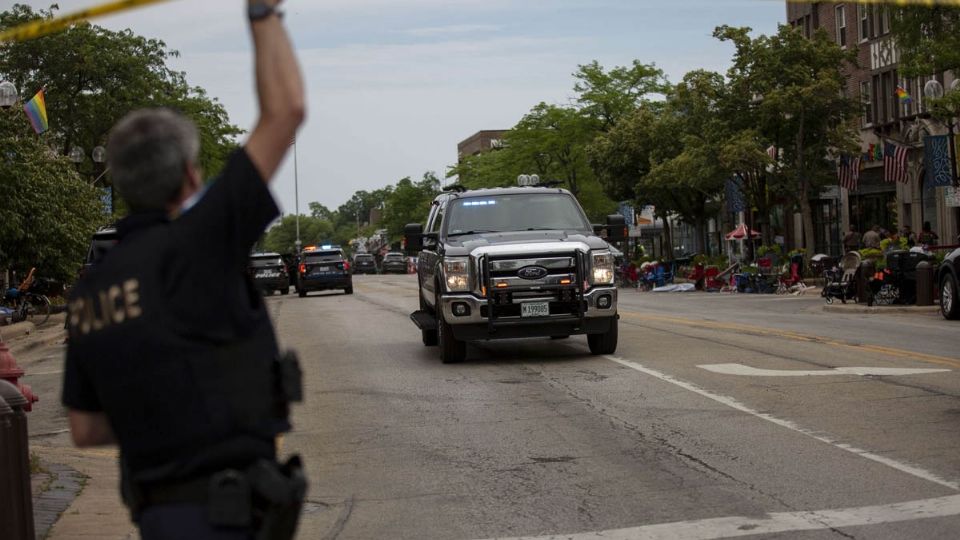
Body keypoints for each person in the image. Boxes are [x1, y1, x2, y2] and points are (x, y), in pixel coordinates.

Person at [61, 2, 306, 539]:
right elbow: (285, 110)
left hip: (158, 515)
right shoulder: (201, 242)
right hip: (230, 514)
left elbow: (85, 427)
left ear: (120, 185)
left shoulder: (90, 291)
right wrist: (264, 13)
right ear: (191, 176)